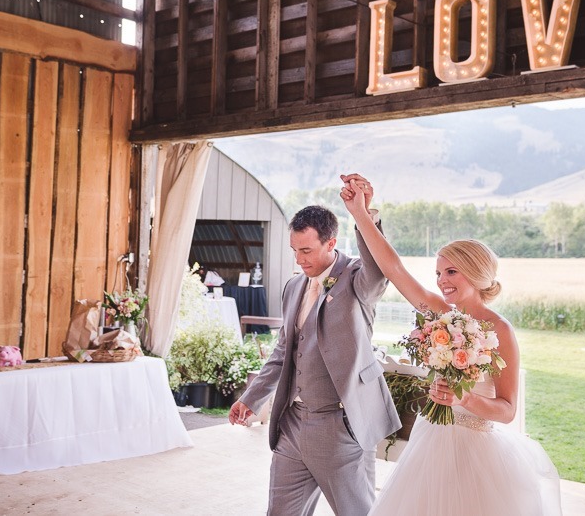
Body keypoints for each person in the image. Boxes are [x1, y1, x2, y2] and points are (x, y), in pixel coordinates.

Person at [340, 179, 562, 516]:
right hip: (430, 441)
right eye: (439, 272)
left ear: (475, 273)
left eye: (451, 271)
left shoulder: (500, 330)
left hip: (477, 453)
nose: (442, 280)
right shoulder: (439, 315)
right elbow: (394, 268)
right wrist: (360, 214)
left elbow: (507, 410)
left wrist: (465, 398)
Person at [229, 174, 401, 516]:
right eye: (295, 251)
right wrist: (251, 398)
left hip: (341, 426)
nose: (299, 260)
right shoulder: (294, 287)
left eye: (306, 250)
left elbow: (380, 270)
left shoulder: (357, 279)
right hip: (292, 424)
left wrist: (365, 215)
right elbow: (283, 354)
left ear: (331, 243)